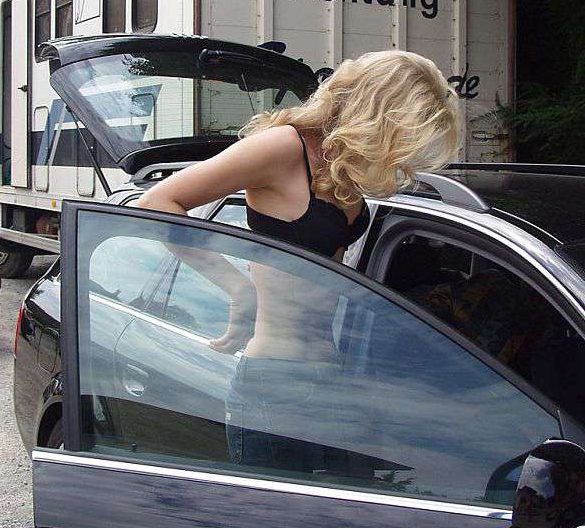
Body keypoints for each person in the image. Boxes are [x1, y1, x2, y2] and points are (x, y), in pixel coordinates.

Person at [135, 50, 462, 473]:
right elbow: (158, 203)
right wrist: (239, 290)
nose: (402, 151)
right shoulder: (284, 147)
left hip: (332, 375)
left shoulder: (343, 164)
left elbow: (328, 270)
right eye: (403, 132)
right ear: (379, 110)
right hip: (276, 381)